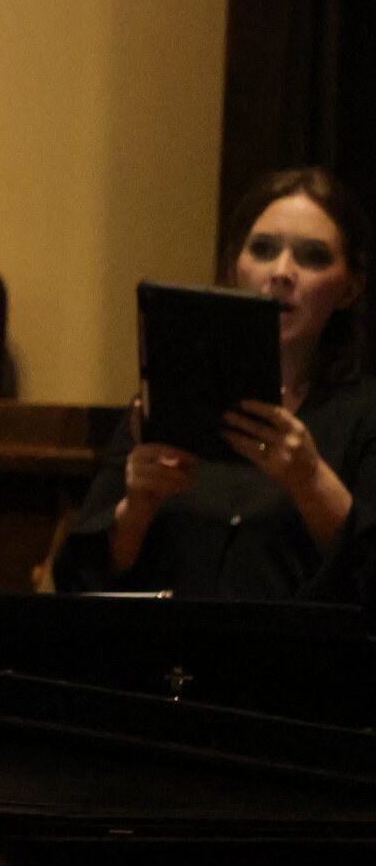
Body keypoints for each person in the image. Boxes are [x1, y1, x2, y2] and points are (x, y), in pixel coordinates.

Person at [58, 167, 376, 599]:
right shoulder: (169, 400)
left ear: (350, 289)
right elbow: (80, 581)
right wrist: (136, 508)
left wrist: (311, 482)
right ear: (233, 267)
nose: (282, 271)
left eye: (312, 256)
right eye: (263, 249)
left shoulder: (364, 416)